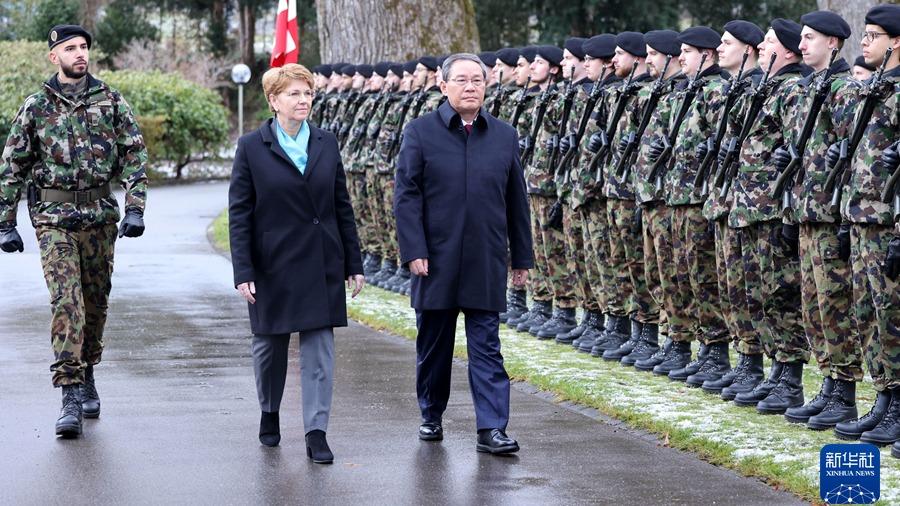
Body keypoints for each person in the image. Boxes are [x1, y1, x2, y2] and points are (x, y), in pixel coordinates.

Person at [0, 24, 148, 438]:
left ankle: (87, 372)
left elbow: (134, 154)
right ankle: (68, 395)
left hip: (100, 218)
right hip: (53, 220)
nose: (80, 53)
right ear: (54, 56)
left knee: (96, 304)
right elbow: (13, 164)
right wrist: (5, 221)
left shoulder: (111, 101)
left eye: (84, 47)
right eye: (71, 48)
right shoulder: (36, 106)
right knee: (67, 302)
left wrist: (135, 209)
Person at [394, 53, 533, 454]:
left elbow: (516, 201)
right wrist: (413, 249)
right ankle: (431, 414)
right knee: (434, 345)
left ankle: (491, 428)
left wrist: (520, 257)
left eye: (477, 80)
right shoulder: (420, 132)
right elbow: (406, 196)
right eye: (462, 80)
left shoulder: (504, 135)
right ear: (443, 85)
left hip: (485, 258)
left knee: (486, 345)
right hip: (434, 259)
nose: (470, 87)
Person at [228, 63, 365, 463]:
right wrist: (244, 271)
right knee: (269, 349)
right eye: (294, 94)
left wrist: (353, 263)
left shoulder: (326, 142)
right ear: (274, 100)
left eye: (307, 93)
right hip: (272, 263)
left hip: (322, 259)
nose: (303, 100)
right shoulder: (252, 146)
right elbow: (240, 213)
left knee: (320, 351)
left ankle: (316, 431)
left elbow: (342, 206)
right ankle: (269, 412)